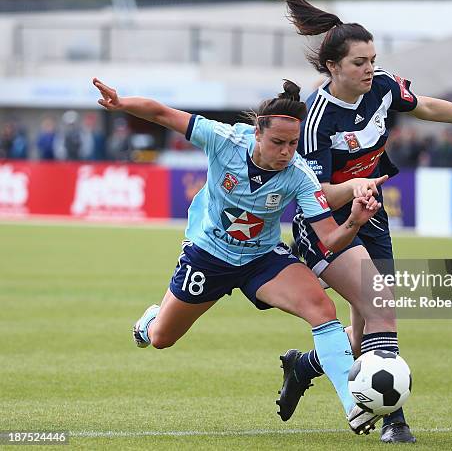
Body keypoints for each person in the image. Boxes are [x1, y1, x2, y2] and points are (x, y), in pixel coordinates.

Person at [275, 0, 452, 444]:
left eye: (373, 60)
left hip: (372, 216)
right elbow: (316, 193)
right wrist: (360, 187)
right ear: (332, 67)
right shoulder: (317, 118)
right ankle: (395, 419)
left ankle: (303, 365)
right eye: (359, 63)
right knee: (383, 304)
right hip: (328, 225)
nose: (370, 69)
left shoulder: (382, 87)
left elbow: (424, 106)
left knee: (366, 325)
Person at [92, 77, 386, 436]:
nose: (286, 152)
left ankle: (351, 405)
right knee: (161, 338)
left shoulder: (299, 174)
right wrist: (121, 104)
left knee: (322, 310)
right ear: (256, 133)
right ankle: (149, 320)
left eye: (293, 144)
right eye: (278, 142)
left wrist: (355, 220)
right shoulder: (223, 139)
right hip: (209, 255)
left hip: (262, 258)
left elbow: (330, 239)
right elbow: (161, 113)